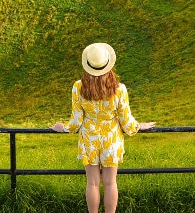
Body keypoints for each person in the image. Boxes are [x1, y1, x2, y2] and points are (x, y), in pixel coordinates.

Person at [50, 42, 156, 213]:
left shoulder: (78, 87)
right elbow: (125, 119)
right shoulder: (119, 89)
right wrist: (138, 126)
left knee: (92, 183)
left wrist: (62, 127)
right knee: (110, 182)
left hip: (89, 139)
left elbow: (76, 121)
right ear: (108, 64)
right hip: (111, 140)